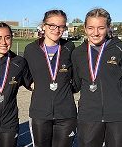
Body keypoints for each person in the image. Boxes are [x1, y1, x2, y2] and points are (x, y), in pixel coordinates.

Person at [72, 8, 122, 147]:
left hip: (119, 115)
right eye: (91, 28)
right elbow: (75, 85)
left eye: (101, 28)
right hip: (89, 116)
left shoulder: (121, 48)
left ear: (108, 27)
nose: (95, 33)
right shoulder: (77, 53)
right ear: (84, 28)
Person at [23, 10, 77, 147]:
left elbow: (77, 76)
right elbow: (23, 73)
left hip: (66, 114)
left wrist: (67, 89)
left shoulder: (69, 47)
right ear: (44, 25)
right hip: (40, 113)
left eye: (61, 26)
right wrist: (30, 84)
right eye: (52, 25)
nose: (56, 29)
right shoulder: (31, 49)